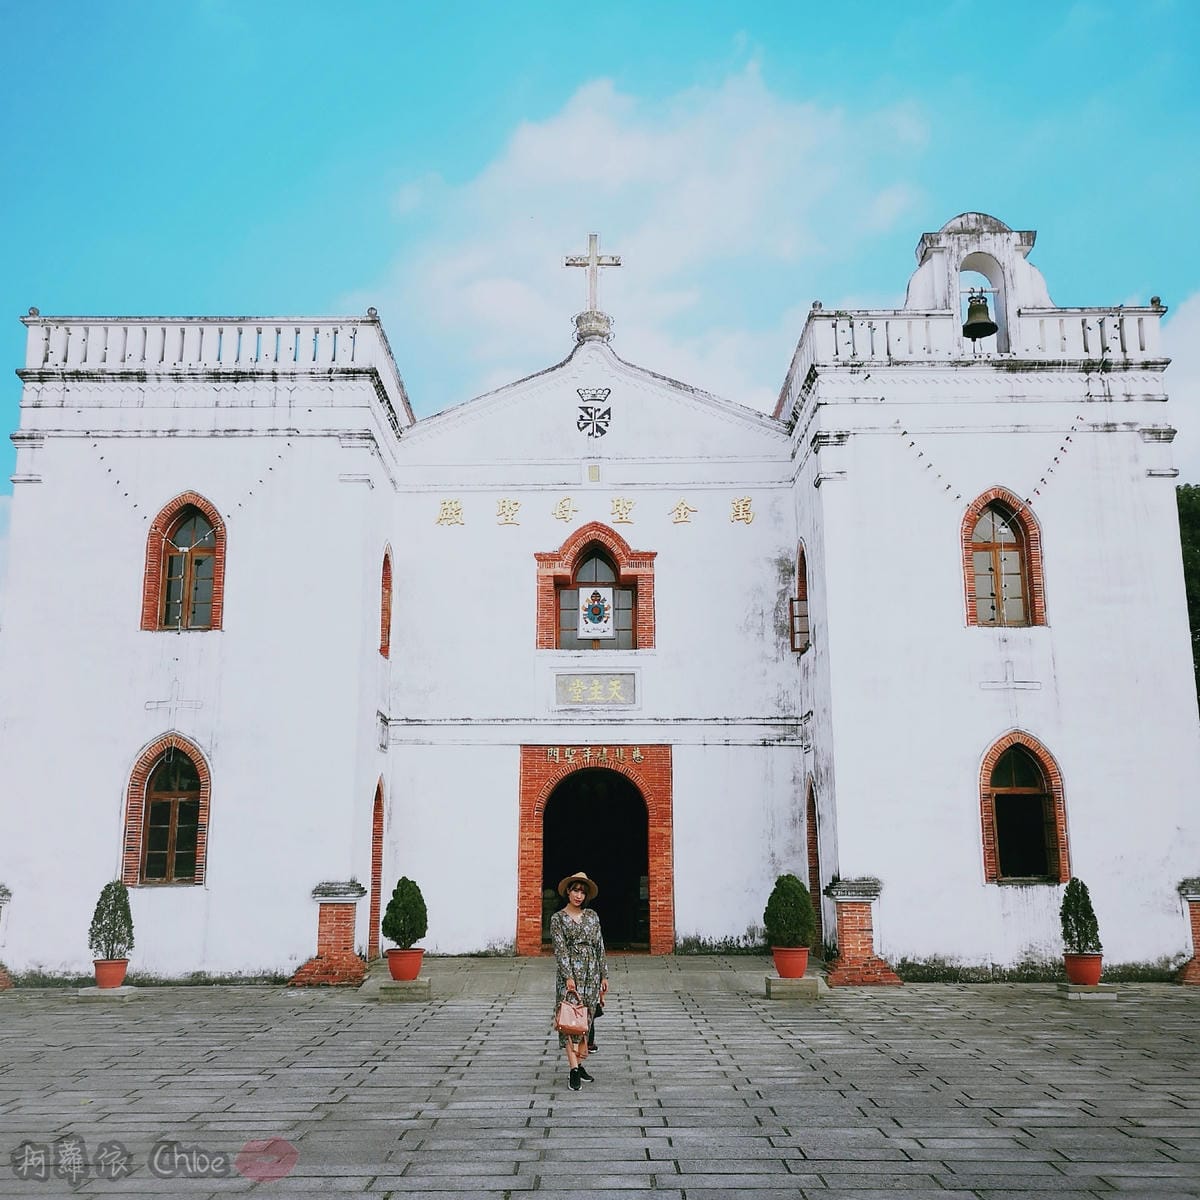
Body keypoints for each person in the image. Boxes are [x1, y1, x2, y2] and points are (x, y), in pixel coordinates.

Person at [550, 871, 608, 1090]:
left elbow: (600, 945)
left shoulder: (592, 916)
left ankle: (580, 1063)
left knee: (585, 1020)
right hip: (571, 974)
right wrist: (568, 977)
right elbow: (560, 949)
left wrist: (604, 975)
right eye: (575, 890)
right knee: (568, 1021)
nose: (578, 896)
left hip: (591, 973)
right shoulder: (558, 919)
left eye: (582, 892)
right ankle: (573, 1068)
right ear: (568, 891)